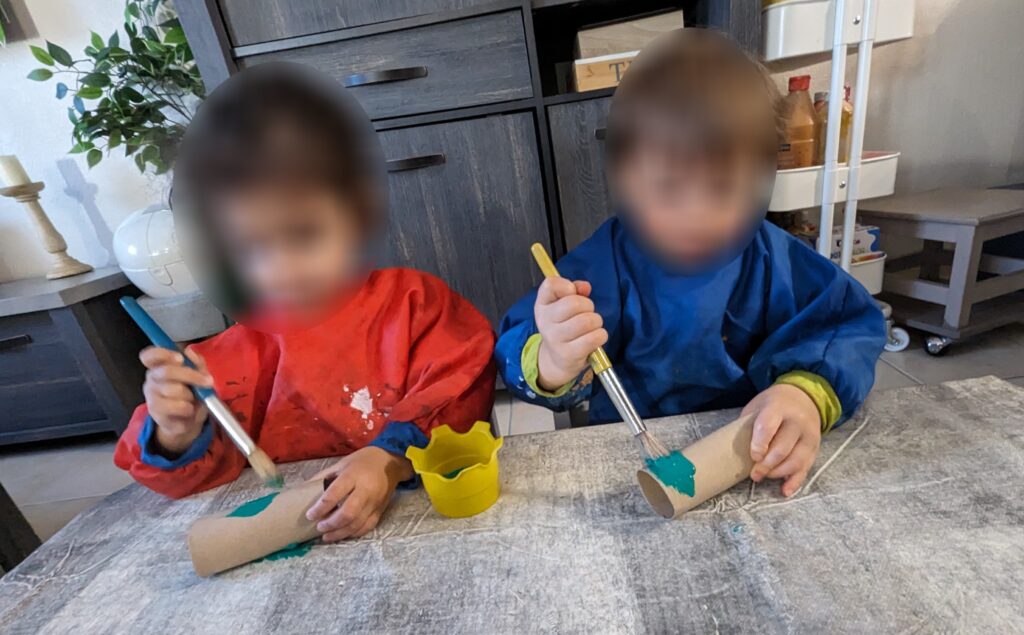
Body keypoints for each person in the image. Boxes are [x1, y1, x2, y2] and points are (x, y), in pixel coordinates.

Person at [496, 30, 885, 497]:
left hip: (747, 453)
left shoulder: (774, 258)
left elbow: (845, 326)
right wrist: (555, 359)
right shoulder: (603, 264)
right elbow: (515, 343)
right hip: (629, 458)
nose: (695, 216)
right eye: (668, 189)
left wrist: (803, 396)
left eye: (722, 189)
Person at [114, 64, 496, 541]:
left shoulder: (415, 304)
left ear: (355, 214)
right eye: (249, 248)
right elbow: (174, 478)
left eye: (304, 234)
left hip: (428, 526)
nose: (280, 269)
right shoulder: (228, 359)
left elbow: (463, 386)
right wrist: (175, 433)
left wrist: (388, 458)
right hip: (305, 544)